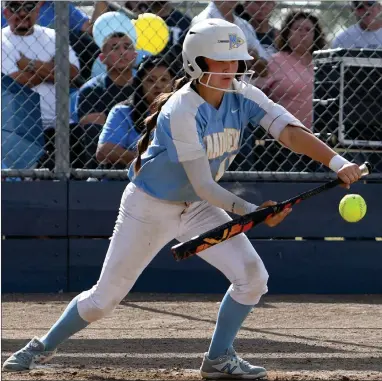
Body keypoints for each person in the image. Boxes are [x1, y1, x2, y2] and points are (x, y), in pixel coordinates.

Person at [2, 18, 363, 379]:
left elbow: (288, 131)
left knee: (253, 277)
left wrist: (338, 161)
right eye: (219, 61)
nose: (230, 69)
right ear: (196, 62)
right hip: (150, 206)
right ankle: (40, 346)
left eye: (235, 60)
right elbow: (205, 184)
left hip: (198, 207)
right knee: (103, 300)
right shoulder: (182, 108)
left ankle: (218, 358)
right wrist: (252, 211)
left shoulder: (244, 95)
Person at [1, 1, 80, 131]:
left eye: (29, 7)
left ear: (37, 11)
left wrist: (30, 64)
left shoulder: (53, 36)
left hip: (62, 123)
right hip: (20, 126)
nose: (22, 13)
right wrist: (54, 69)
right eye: (15, 7)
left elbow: (73, 73)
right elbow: (16, 84)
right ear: (5, 13)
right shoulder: (2, 41)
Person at [96, 55, 179, 167]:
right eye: (151, 80)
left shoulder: (182, 112)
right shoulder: (122, 112)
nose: (158, 85)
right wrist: (148, 160)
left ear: (173, 84)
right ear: (140, 83)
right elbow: (104, 151)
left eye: (164, 80)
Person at [255, 11, 327, 130]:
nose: (302, 33)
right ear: (287, 33)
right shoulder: (276, 61)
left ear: (316, 35)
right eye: (297, 28)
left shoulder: (323, 62)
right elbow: (258, 92)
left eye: (308, 29)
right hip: (285, 132)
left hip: (321, 133)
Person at [192, 1, 269, 76]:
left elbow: (264, 60)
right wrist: (248, 54)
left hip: (243, 84)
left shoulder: (244, 25)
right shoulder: (203, 21)